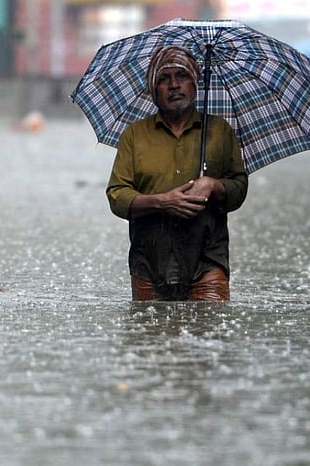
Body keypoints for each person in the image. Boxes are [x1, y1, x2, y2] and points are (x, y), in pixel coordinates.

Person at [106, 46, 249, 301]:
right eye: (164, 79)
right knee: (149, 336)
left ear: (195, 84)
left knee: (210, 332)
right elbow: (117, 196)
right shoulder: (134, 135)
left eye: (182, 76)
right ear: (153, 90)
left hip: (207, 261)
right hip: (149, 263)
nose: (174, 85)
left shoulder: (219, 132)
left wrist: (213, 185)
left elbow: (239, 189)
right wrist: (162, 202)